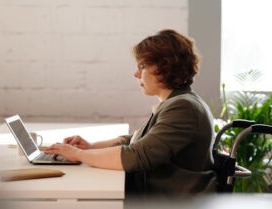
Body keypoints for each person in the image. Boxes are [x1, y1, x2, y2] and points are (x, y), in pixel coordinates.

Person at [44, 29, 217, 195]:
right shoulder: (179, 102)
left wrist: (79, 154)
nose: (136, 74)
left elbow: (137, 156)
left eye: (142, 66)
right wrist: (90, 147)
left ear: (164, 67)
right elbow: (136, 140)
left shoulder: (183, 108)